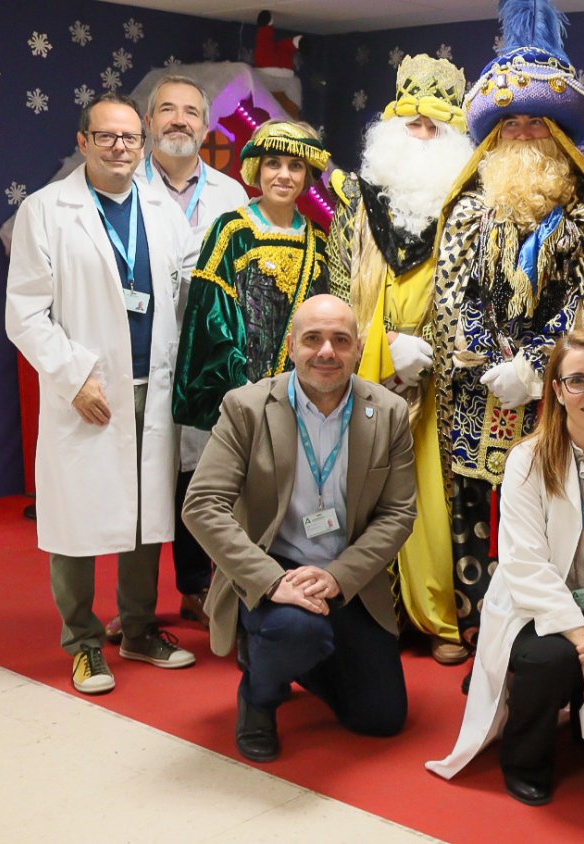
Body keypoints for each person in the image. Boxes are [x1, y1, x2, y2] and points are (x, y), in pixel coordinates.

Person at [427, 330, 584, 805]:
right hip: (539, 614)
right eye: (577, 381)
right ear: (557, 390)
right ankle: (525, 758)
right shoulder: (527, 461)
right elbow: (525, 565)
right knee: (551, 662)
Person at [4, 92, 198, 695]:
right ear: (83, 142)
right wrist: (73, 376)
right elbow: (26, 313)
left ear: (143, 145)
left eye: (130, 139)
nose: (120, 148)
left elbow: (188, 292)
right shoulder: (47, 209)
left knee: (145, 515)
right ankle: (84, 642)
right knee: (79, 519)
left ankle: (138, 629)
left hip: (153, 386)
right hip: (89, 389)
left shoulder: (162, 210)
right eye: (107, 137)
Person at [433, 0, 584, 650]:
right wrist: (486, 356)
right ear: (496, 130)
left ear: (560, 131)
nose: (526, 130)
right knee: (475, 513)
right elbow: (457, 297)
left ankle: (550, 640)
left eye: (540, 120)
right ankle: (481, 636)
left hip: (557, 397)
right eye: (514, 120)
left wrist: (536, 367)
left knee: (551, 513)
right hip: (480, 397)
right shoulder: (469, 210)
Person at [182, 294, 416, 763]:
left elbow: (398, 513)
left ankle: (295, 654)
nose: (326, 352)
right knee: (295, 629)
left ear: (356, 349)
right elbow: (203, 504)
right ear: (291, 346)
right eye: (312, 339)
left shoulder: (388, 412)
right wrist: (271, 581)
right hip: (272, 564)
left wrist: (337, 577)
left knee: (381, 718)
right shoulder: (246, 408)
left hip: (343, 573)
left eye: (340, 340)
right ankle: (259, 697)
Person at [328, 53, 476, 664]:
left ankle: (439, 617)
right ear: (391, 128)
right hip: (370, 371)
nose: (423, 135)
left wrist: (437, 348)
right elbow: (338, 291)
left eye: (436, 126)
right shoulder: (357, 205)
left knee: (433, 500)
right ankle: (372, 618)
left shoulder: (472, 203)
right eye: (412, 123)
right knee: (363, 493)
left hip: (442, 377)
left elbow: (480, 291)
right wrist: (382, 347)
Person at [119, 73, 250, 638]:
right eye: (166, 110)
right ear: (149, 123)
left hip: (207, 358)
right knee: (146, 480)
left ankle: (198, 585)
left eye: (190, 112)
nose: (178, 120)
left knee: (202, 474)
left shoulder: (230, 194)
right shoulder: (124, 189)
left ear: (204, 125)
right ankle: (136, 612)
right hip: (141, 356)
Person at [172, 120, 330, 433]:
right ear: (258, 169)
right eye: (273, 163)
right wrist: (245, 391)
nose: (284, 175)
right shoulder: (231, 231)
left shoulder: (319, 240)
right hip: (244, 402)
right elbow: (213, 321)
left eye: (295, 166)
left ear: (307, 174)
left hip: (306, 401)